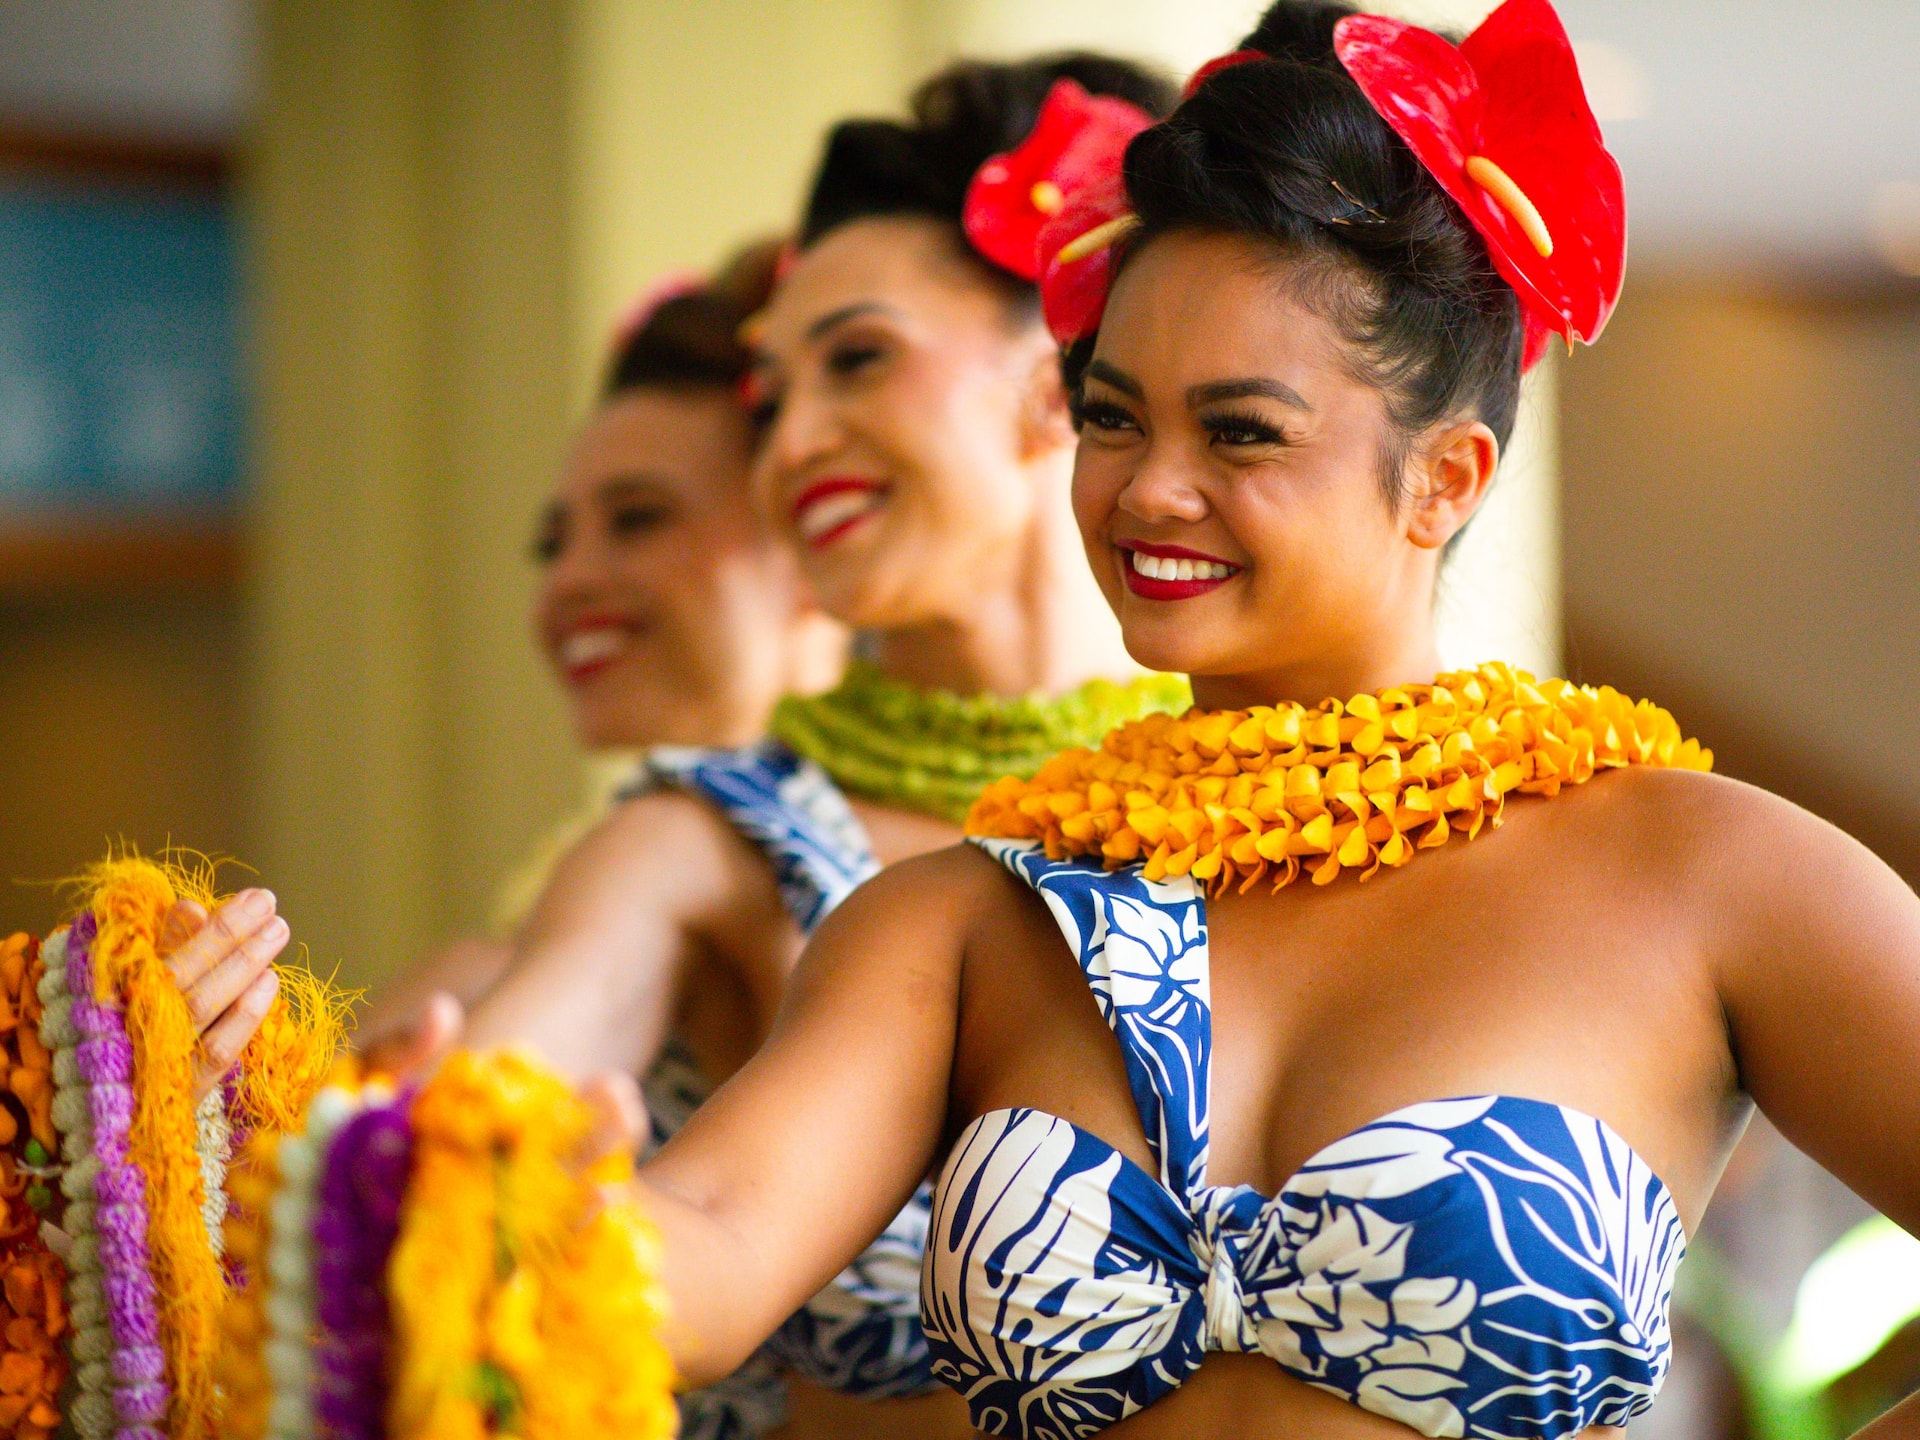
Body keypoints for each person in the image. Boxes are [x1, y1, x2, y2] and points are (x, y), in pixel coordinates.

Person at [622, 5, 1920, 1439]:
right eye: (1114, 420)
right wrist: (394, 1158)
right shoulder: (960, 928)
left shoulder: (1704, 874)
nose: (1150, 491)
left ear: (1444, 480)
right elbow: (709, 1245)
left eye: (1241, 432)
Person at [393, 55, 1185, 1440]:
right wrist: (407, 1146)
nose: (795, 441)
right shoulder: (703, 839)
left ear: (1062, 381)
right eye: (775, 391)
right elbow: (498, 1098)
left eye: (858, 359)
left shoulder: (1281, 808)